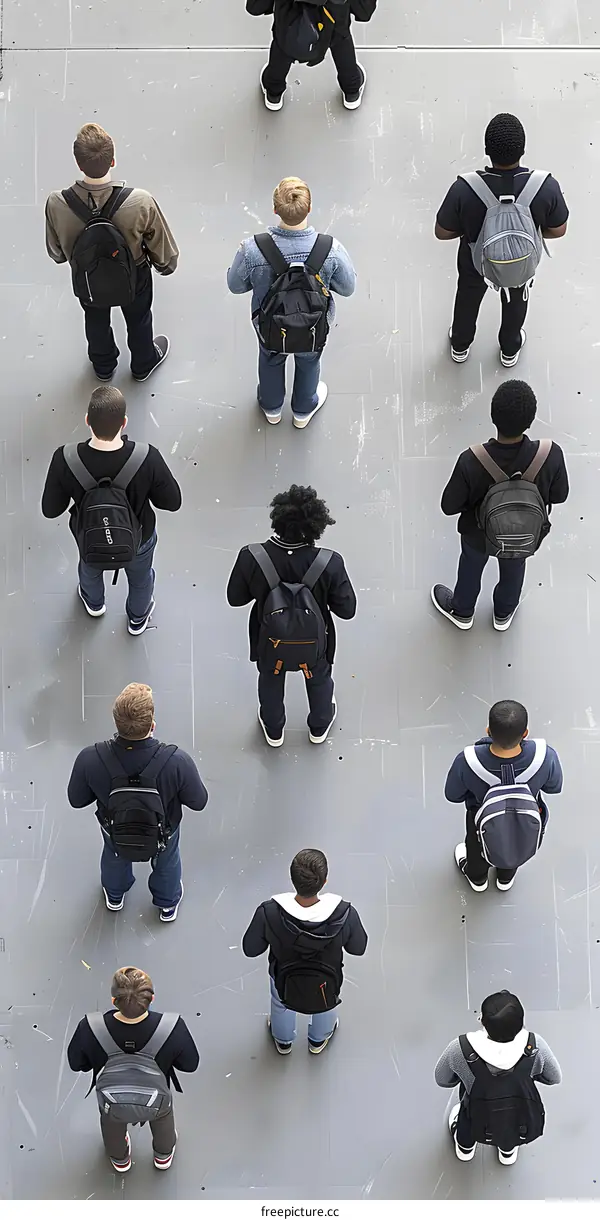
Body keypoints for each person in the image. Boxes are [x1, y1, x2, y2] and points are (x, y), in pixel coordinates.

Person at [41, 386, 182, 634]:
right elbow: (172, 502)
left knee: (89, 569)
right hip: (139, 538)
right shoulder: (147, 457)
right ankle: (138, 618)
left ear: (87, 421)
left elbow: (51, 510)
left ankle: (94, 603)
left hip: (90, 536)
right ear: (124, 423)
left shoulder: (65, 458)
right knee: (140, 578)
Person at [45, 122, 178, 381]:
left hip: (87, 276)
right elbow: (165, 253)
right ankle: (142, 363)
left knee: (95, 319)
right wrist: (164, 266)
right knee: (139, 318)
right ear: (113, 161)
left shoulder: (57, 203)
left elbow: (57, 253)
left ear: (78, 163)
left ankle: (103, 365)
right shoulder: (140, 201)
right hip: (134, 273)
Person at [431, 380, 569, 631]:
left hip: (478, 536)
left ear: (493, 416)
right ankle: (504, 613)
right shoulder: (551, 454)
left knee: (471, 566)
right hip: (524, 534)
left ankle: (462, 611)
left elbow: (449, 506)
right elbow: (560, 496)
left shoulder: (471, 460)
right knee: (515, 565)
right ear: (531, 420)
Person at [226, 484, 357, 746]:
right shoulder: (330, 562)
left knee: (271, 678)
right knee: (319, 677)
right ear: (317, 525)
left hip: (269, 639)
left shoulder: (251, 556)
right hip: (315, 642)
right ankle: (319, 725)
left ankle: (273, 729)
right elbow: (348, 610)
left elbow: (235, 599)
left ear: (277, 520)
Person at [435, 112, 568, 366]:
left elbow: (442, 232)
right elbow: (559, 229)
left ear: (486, 150)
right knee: (516, 299)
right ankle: (509, 348)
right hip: (521, 259)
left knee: (467, 296)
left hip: (476, 260)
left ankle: (460, 345)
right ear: (523, 149)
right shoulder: (545, 186)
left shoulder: (464, 188)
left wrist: (468, 230)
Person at [67, 683, 208, 920]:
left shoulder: (90, 758)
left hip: (114, 826)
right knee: (167, 860)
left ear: (116, 723)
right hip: (165, 829)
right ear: (152, 725)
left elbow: (77, 800)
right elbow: (199, 801)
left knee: (114, 855)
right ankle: (167, 904)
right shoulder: (176, 761)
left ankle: (114, 895)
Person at [227, 177, 356, 426]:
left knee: (270, 356)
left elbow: (235, 286)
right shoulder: (330, 248)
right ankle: (303, 410)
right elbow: (348, 288)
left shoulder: (253, 249)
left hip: (270, 324)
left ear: (275, 209)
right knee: (309, 359)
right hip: (314, 324)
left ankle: (271, 407)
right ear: (309, 208)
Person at [67, 966, 199, 1172]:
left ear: (114, 1001)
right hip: (156, 1097)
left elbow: (77, 1064)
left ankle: (120, 1158)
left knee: (111, 1119)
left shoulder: (89, 1027)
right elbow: (190, 1065)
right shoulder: (173, 1026)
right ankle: (163, 1155)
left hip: (113, 1099)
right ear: (151, 999)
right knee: (163, 1116)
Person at [242, 848, 367, 1054]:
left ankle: (283, 1041)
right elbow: (358, 948)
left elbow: (251, 949)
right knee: (326, 1001)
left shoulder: (269, 912)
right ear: (324, 882)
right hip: (327, 978)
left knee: (280, 1002)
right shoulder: (345, 914)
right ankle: (318, 1039)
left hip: (283, 974)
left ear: (292, 879)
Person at [445, 699, 563, 892]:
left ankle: (478, 879)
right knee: (514, 841)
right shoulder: (546, 756)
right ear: (525, 733)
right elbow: (553, 787)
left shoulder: (467, 761)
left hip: (480, 815)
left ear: (488, 731)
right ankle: (505, 878)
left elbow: (453, 795)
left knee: (476, 847)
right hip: (524, 816)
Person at [435, 990, 561, 1164]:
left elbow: (442, 1079)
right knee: (510, 1125)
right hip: (516, 1109)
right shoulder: (535, 1045)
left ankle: (465, 1149)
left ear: (483, 1022)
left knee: (467, 1118)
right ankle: (507, 1152)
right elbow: (554, 1077)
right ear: (521, 1024)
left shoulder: (460, 1048)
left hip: (477, 1108)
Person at [247, 1, 376, 112]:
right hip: (334, 8)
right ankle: (351, 90)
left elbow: (255, 7)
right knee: (339, 39)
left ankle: (273, 91)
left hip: (291, 8)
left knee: (283, 42)